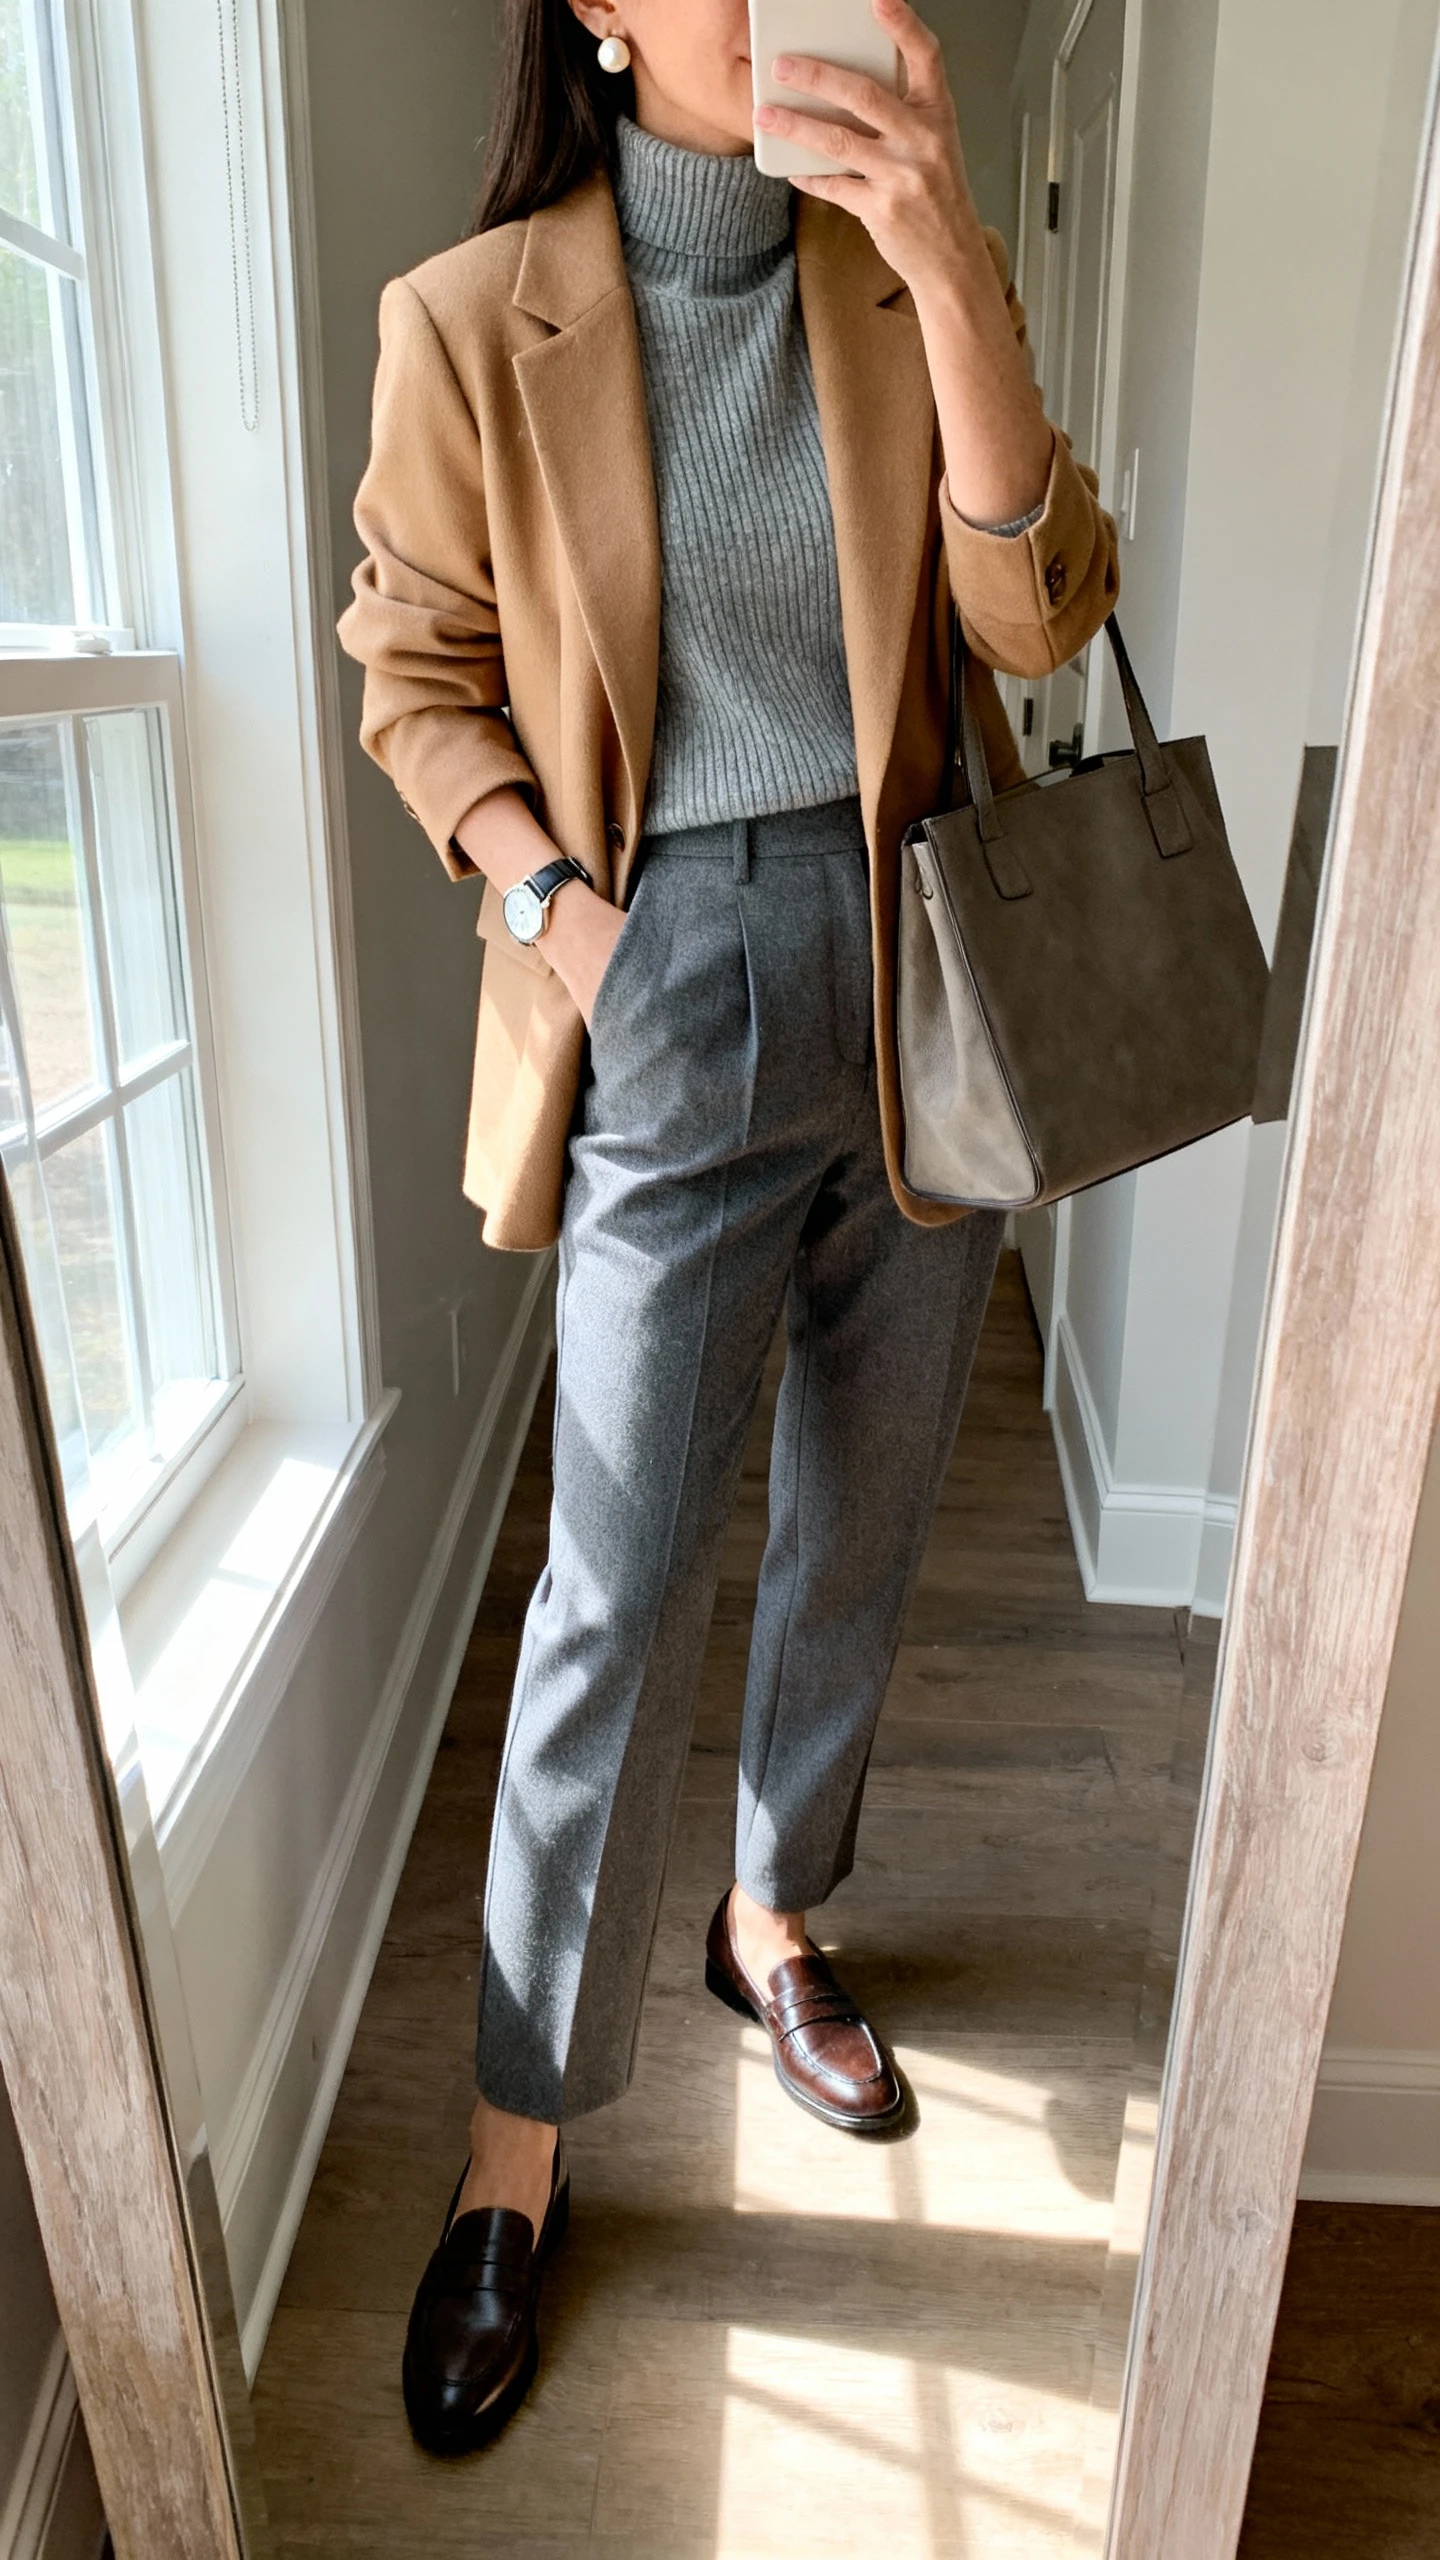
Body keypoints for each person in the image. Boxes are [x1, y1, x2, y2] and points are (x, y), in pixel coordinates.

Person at [339, 0, 1117, 2458]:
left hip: (921, 985)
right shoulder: (472, 323)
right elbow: (410, 671)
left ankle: (773, 1917)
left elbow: (1041, 619)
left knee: (861, 1517)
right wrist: (574, 917)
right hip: (659, 976)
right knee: (612, 1579)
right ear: (597, 13)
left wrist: (954, 252)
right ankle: (516, 2141)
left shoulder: (897, 273)